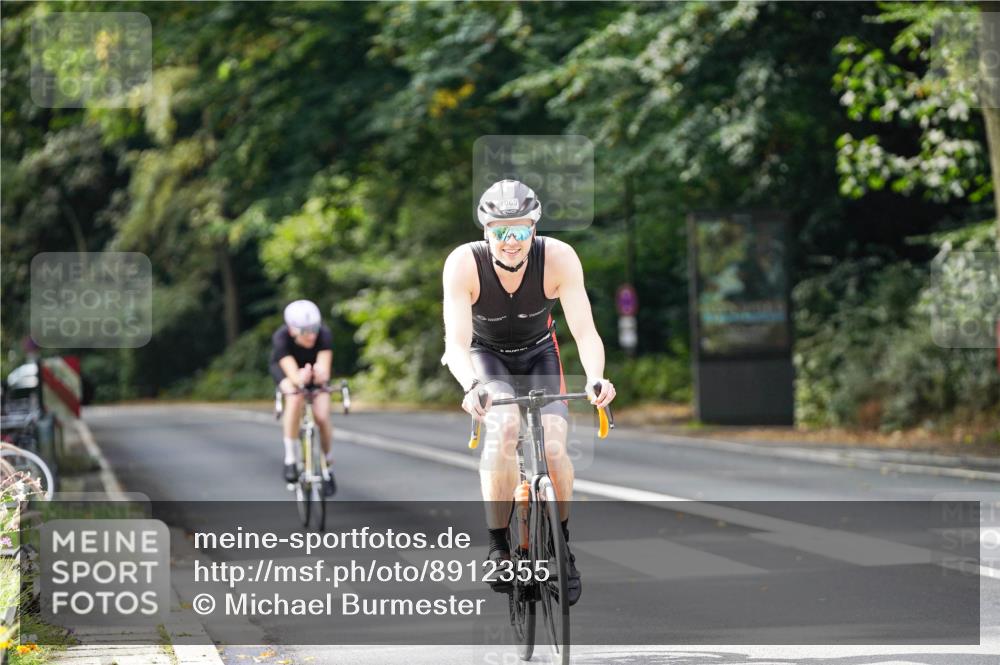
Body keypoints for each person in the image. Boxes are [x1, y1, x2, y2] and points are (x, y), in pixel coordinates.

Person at [441, 179, 616, 606]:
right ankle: (499, 546)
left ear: (534, 228)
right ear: (485, 231)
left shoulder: (558, 258)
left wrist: (596, 377)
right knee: (502, 428)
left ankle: (561, 546)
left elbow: (585, 332)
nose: (510, 241)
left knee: (555, 447)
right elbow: (456, 344)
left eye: (519, 230)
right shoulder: (464, 263)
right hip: (486, 357)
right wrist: (471, 386)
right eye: (500, 231)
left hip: (539, 353)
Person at [269, 299, 336, 496]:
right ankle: (290, 458)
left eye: (315, 329)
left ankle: (328, 465)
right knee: (295, 397)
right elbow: (293, 376)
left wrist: (319, 375)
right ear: (292, 330)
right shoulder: (281, 338)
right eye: (306, 331)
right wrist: (300, 378)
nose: (312, 335)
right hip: (288, 371)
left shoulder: (324, 334)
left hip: (313, 370)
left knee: (321, 416)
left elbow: (324, 370)